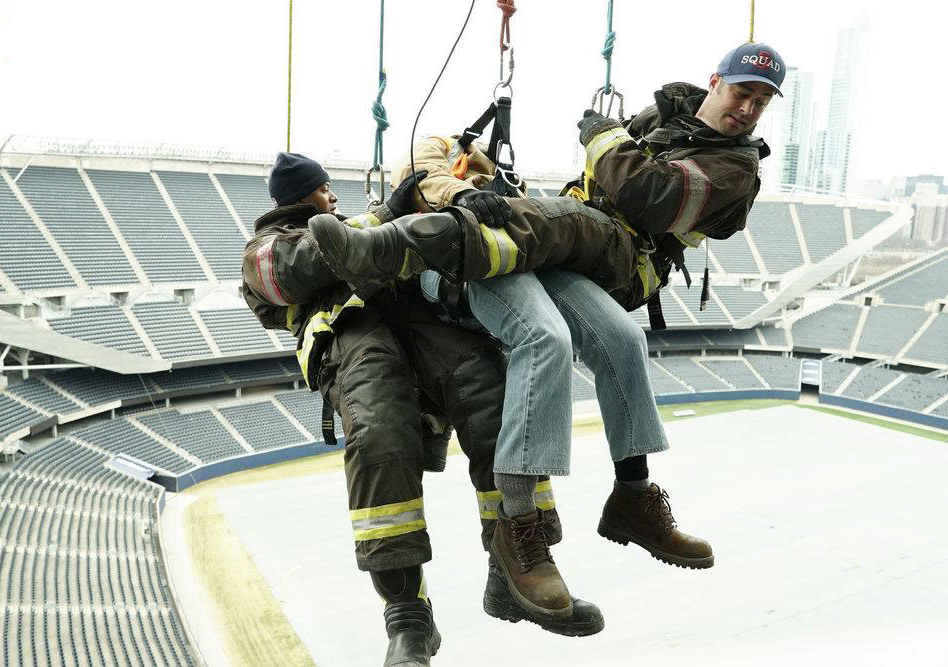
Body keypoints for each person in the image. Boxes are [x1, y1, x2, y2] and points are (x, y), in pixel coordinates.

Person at [309, 43, 785, 593]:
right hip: (486, 262)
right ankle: (531, 522)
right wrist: (458, 191)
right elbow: (426, 163)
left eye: (761, 101)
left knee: (613, 329)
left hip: (573, 249)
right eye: (742, 93)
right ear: (717, 82)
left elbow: (637, 190)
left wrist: (588, 147)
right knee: (575, 336)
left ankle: (629, 499)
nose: (749, 109)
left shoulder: (733, 168)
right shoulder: (438, 177)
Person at [241, 153, 602, 667]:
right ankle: (409, 619)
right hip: (357, 339)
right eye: (325, 191)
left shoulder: (355, 229)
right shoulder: (264, 250)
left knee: (496, 398)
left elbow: (414, 252)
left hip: (419, 326)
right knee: (380, 437)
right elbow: (293, 274)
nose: (335, 198)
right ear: (304, 196)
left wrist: (462, 213)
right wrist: (386, 216)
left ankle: (518, 563)